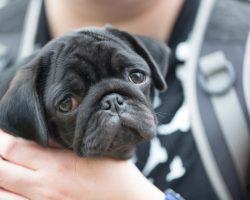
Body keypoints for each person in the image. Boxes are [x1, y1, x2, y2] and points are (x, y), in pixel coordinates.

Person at [0, 0, 249, 199]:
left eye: (136, 76)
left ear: (154, 66)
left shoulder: (242, 49)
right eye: (69, 103)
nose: (113, 104)